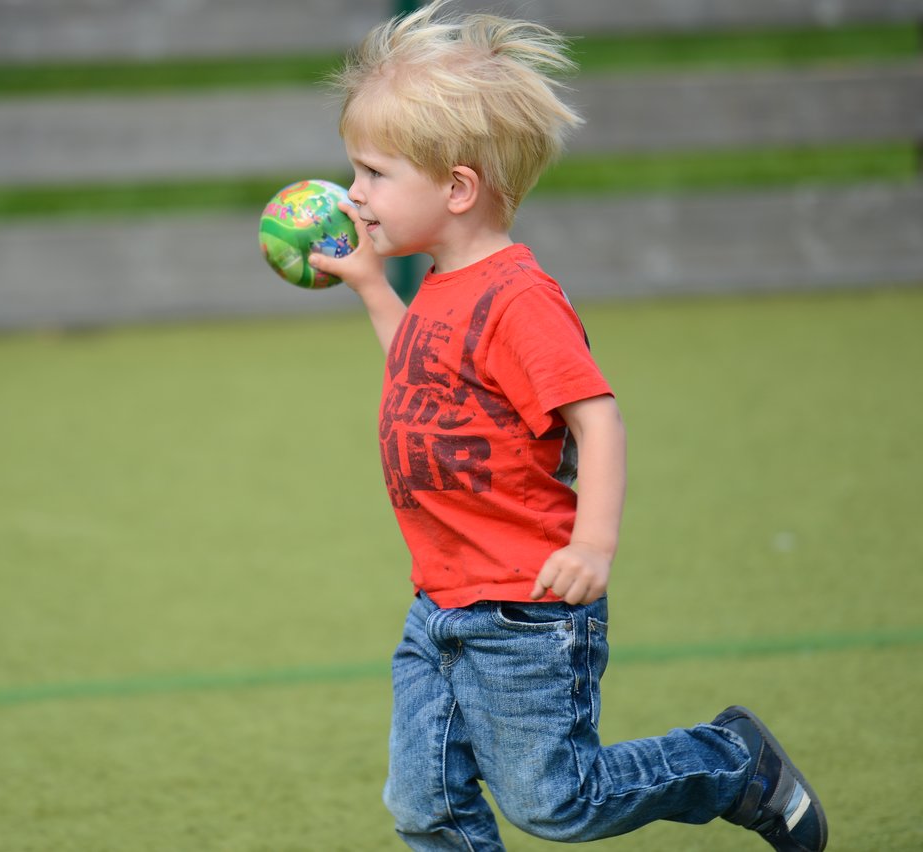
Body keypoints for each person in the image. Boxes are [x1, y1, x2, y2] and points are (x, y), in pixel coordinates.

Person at [305, 2, 828, 850]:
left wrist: (593, 545)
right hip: (440, 602)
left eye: (371, 173)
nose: (353, 193)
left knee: (558, 802)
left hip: (526, 608)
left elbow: (599, 419)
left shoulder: (519, 299)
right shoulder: (440, 284)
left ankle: (730, 761)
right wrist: (372, 286)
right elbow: (424, 375)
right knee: (423, 803)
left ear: (457, 188)